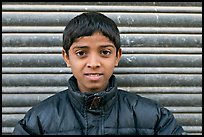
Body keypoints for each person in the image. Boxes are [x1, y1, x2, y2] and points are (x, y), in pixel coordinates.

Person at [12, 11, 185, 135]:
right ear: (66, 57)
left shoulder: (155, 118)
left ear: (117, 56)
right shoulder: (38, 121)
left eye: (105, 52)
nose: (93, 64)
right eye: (81, 53)